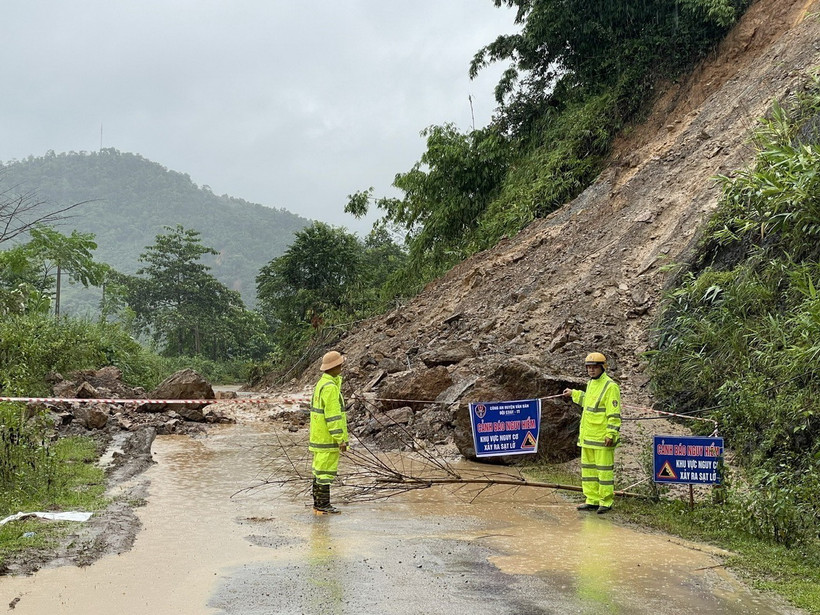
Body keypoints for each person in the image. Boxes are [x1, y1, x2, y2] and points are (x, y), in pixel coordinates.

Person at [563, 352, 621, 514]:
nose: (591, 370)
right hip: (588, 437)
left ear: (602, 367)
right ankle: (592, 499)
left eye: (594, 367)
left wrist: (611, 434)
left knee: (604, 472)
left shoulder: (611, 386)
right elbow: (587, 401)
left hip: (603, 439)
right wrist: (573, 394)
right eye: (589, 367)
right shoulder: (591, 384)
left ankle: (606, 502)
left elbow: (614, 413)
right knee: (589, 471)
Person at [309, 350, 349, 514]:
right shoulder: (330, 388)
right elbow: (333, 416)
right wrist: (341, 439)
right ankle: (323, 505)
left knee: (318, 471)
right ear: (335, 366)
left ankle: (318, 504)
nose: (342, 367)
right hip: (328, 439)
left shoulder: (321, 384)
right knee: (325, 473)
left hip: (319, 437)